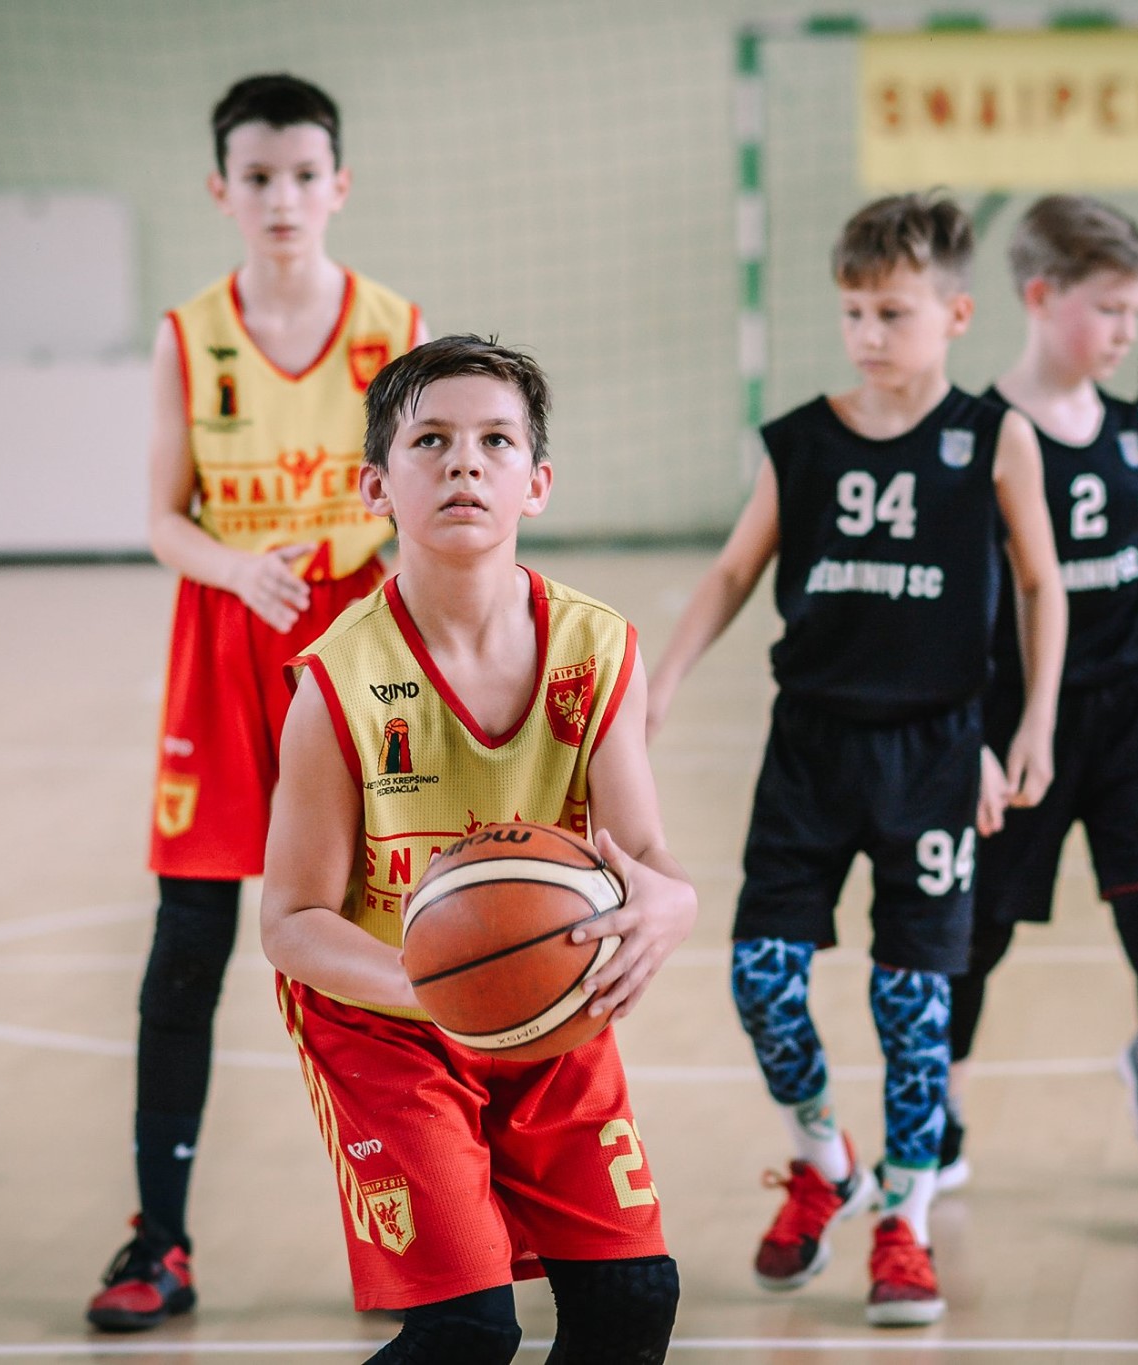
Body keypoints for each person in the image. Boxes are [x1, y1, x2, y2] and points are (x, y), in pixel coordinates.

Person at [646, 193, 1065, 1326]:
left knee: (910, 1002)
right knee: (760, 978)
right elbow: (734, 570)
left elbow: (1039, 584)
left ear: (956, 315)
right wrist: (663, 679)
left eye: (893, 312)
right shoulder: (804, 439)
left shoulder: (995, 439)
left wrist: (1028, 727)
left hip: (935, 753)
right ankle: (826, 1161)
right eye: (852, 312)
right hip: (809, 749)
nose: (868, 334)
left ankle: (905, 1224)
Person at [260, 335, 698, 1364]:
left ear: (536, 483)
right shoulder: (336, 683)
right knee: (466, 1331)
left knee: (633, 1301)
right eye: (432, 440)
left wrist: (672, 902)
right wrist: (441, 987)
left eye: (496, 440)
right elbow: (289, 922)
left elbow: (643, 851)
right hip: (384, 1018)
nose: (465, 460)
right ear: (376, 486)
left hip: (545, 1004)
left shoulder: (598, 650)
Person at [89, 73, 428, 1330]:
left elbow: (427, 494)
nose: (281, 197)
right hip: (227, 635)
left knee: (394, 946)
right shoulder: (190, 334)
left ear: (339, 186)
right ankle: (158, 1241)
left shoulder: (395, 326)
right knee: (189, 946)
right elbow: (161, 517)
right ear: (219, 191)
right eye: (257, 177)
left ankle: (436, 1239)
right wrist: (237, 568)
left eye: (302, 175)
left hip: (357, 643)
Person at [938, 195, 1138, 1231]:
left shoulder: (1133, 428)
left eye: (1133, 312)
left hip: (1132, 721)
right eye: (1108, 309)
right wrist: (971, 739)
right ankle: (941, 1117)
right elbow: (963, 613)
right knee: (977, 934)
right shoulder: (978, 439)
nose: (1125, 332)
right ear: (1040, 296)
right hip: (1020, 726)